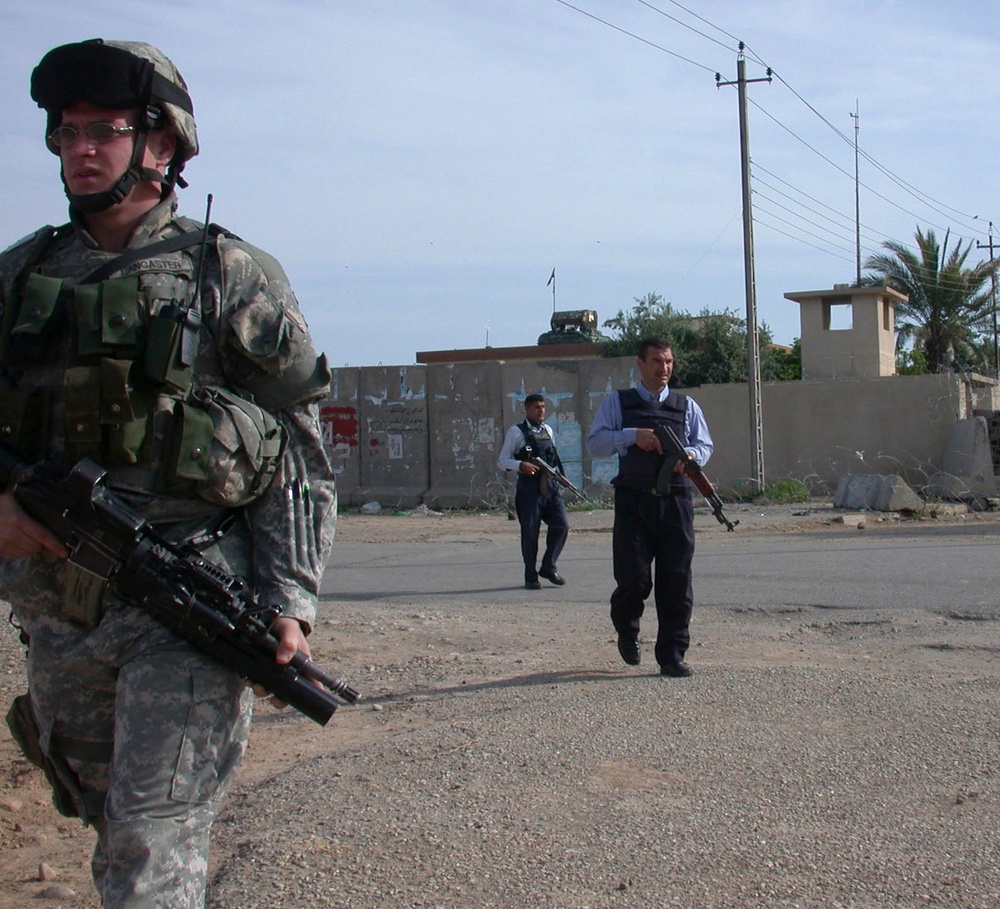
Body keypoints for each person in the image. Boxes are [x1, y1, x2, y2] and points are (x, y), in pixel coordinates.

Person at [0, 39, 336, 907]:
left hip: (182, 605)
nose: (79, 148)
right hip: (56, 616)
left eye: (103, 129)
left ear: (163, 145)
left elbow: (298, 451)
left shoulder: (228, 275)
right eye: (66, 131)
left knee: (151, 846)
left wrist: (291, 599)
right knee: (110, 822)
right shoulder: (19, 279)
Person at [585, 337, 713, 677]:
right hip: (634, 501)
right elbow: (595, 444)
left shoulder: (686, 406)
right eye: (657, 361)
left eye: (669, 361)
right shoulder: (618, 402)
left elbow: (704, 444)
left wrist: (690, 456)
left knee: (676, 581)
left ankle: (672, 655)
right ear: (640, 365)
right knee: (633, 579)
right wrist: (631, 436)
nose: (664, 368)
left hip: (675, 501)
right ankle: (627, 630)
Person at [496, 393, 570, 589]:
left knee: (561, 525)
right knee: (530, 532)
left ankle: (548, 566)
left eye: (543, 407)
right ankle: (530, 576)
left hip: (550, 486)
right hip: (529, 488)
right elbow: (502, 461)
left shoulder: (548, 430)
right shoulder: (516, 432)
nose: (541, 411)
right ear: (527, 409)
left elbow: (553, 458)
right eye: (536, 407)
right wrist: (521, 465)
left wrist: (559, 476)